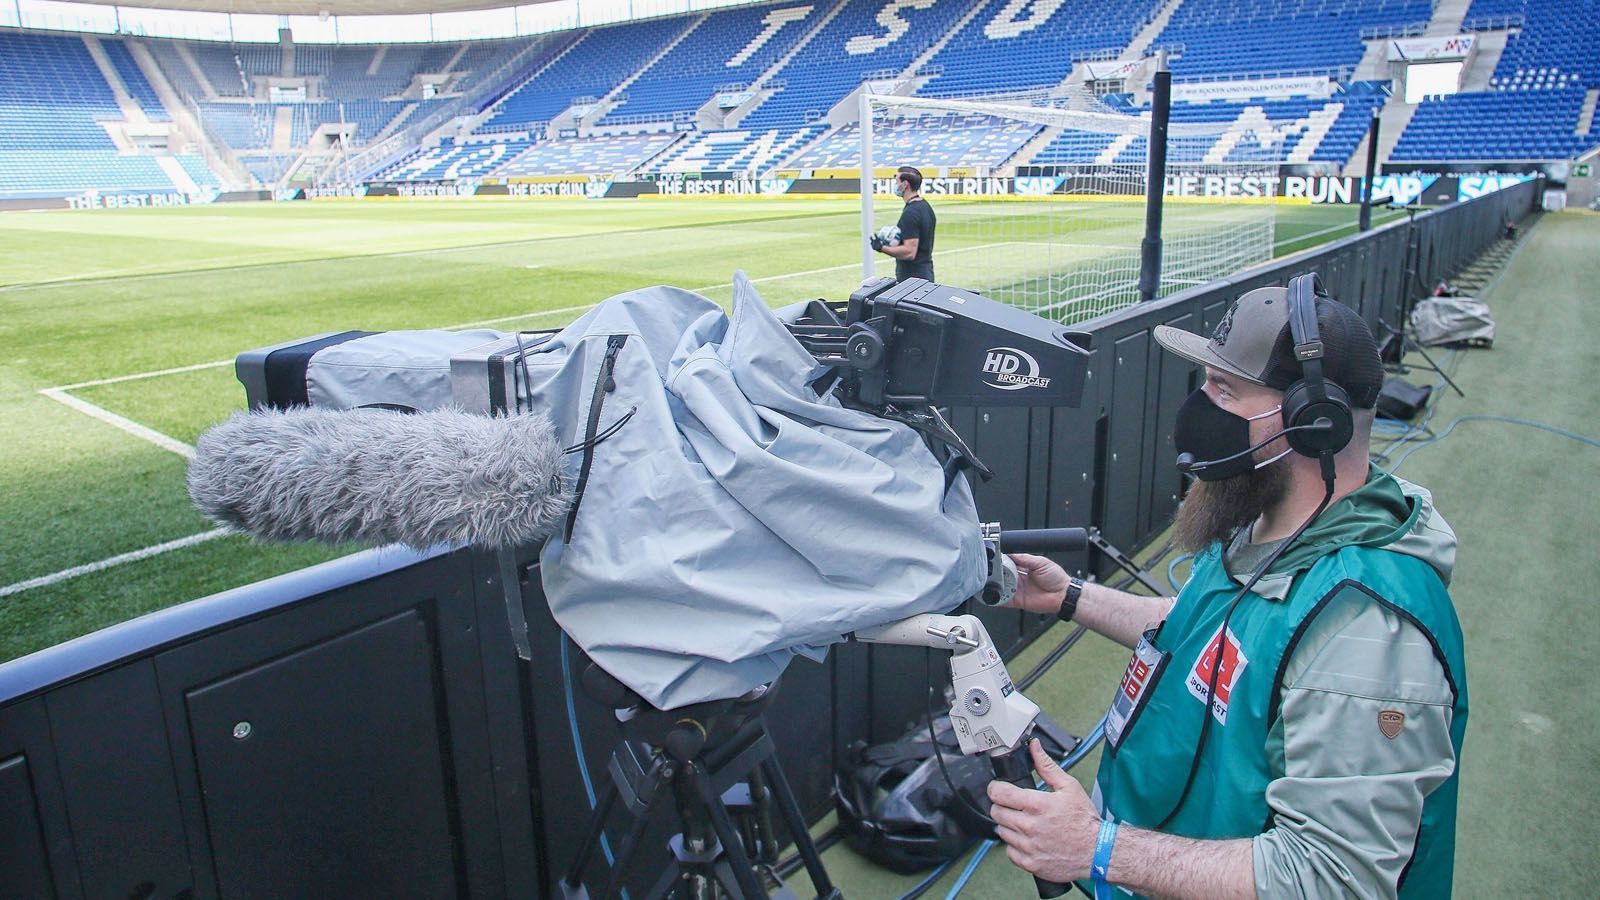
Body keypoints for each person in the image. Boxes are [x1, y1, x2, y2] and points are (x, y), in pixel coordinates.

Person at [989, 281, 1468, 899]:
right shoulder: (1266, 518)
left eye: (1225, 391)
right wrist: (1069, 597)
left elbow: (1331, 879)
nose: (1200, 409)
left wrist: (1098, 849)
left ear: (1311, 422)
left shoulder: (1367, 632)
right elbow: (1212, 629)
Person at [872, 165, 936, 282]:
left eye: (897, 181)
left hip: (913, 280)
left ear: (905, 184)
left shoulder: (911, 213)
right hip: (924, 274)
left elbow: (909, 252)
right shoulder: (925, 206)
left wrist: (881, 247)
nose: (896, 185)